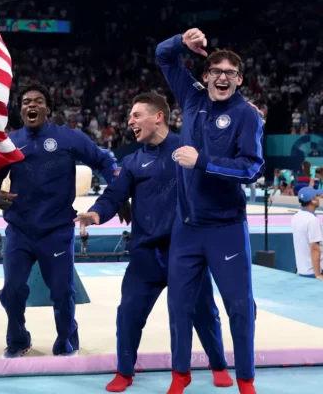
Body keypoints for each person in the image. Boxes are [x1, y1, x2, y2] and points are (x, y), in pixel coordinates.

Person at [75, 93, 232, 392]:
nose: (130, 121)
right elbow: (114, 196)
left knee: (203, 313)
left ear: (158, 116)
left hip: (187, 253)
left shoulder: (189, 149)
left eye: (136, 115)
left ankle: (218, 364)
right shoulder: (133, 161)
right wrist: (95, 214)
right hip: (146, 255)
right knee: (129, 314)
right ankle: (125, 371)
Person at [156, 28, 264, 394]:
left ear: (239, 79)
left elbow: (250, 167)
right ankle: (180, 375)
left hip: (226, 228)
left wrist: (202, 161)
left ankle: (245, 380)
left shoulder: (247, 115)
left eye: (230, 73)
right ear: (205, 75)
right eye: (215, 70)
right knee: (178, 306)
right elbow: (162, 56)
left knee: (239, 307)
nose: (222, 77)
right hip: (187, 228)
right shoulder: (191, 98)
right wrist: (181, 43)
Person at [0, 83, 118, 358]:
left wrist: (115, 196)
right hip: (20, 229)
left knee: (61, 292)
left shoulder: (69, 138)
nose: (31, 105)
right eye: (26, 102)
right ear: (20, 111)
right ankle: (19, 340)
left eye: (38, 101)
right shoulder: (9, 142)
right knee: (12, 290)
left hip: (56, 229)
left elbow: (104, 161)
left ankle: (66, 341)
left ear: (48, 109)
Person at [291, 187, 323, 280]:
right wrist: (318, 274)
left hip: (302, 269)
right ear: (313, 201)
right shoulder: (313, 220)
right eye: (317, 196)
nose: (319, 198)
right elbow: (315, 248)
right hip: (314, 271)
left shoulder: (296, 216)